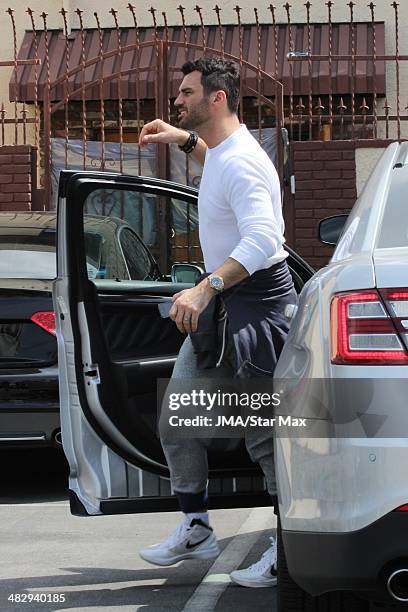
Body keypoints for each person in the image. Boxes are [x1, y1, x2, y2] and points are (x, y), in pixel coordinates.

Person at [137, 57, 297, 588]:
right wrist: (181, 139)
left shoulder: (246, 162)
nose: (177, 101)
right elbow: (215, 160)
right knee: (177, 419)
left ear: (217, 98)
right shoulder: (225, 152)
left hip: (255, 308)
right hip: (226, 308)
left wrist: (206, 287)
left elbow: (264, 240)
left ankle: (289, 548)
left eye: (185, 94)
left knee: (264, 435)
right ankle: (197, 525)